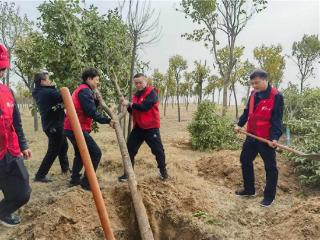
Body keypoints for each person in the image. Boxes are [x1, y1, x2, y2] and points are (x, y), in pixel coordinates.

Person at [234, 69, 284, 207]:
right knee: (245, 160)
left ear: (265, 80)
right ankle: (249, 190)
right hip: (251, 136)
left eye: (257, 82)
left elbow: (277, 120)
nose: (254, 86)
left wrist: (274, 138)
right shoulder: (253, 94)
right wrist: (239, 124)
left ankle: (269, 196)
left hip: (265, 139)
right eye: (252, 83)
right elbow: (247, 112)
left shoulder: (277, 96)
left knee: (270, 167)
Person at [64, 68, 114, 191]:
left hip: (72, 127)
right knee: (96, 153)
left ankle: (75, 179)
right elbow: (91, 112)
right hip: (76, 128)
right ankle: (87, 183)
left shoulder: (83, 90)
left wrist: (96, 100)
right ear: (89, 79)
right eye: (97, 80)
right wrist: (108, 120)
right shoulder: (85, 91)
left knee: (81, 153)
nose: (98, 83)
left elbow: (89, 107)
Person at [0, 43, 32, 227]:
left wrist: (23, 145)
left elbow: (16, 123)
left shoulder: (7, 92)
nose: (2, 73)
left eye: (3, 69)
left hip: (10, 151)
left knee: (22, 192)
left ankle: (3, 211)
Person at [118, 73, 168, 182]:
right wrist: (127, 106)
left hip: (151, 128)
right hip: (139, 127)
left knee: (158, 150)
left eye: (140, 82)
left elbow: (144, 107)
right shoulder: (135, 95)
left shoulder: (152, 93)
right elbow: (133, 111)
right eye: (136, 83)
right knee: (129, 149)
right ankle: (128, 174)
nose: (138, 85)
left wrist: (130, 104)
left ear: (146, 81)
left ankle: (163, 172)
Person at [32, 71, 70, 183]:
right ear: (42, 81)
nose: (50, 81)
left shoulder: (40, 91)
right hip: (54, 126)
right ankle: (40, 175)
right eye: (48, 79)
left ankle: (65, 169)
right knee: (53, 150)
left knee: (63, 146)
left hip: (52, 124)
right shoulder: (47, 92)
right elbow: (63, 97)